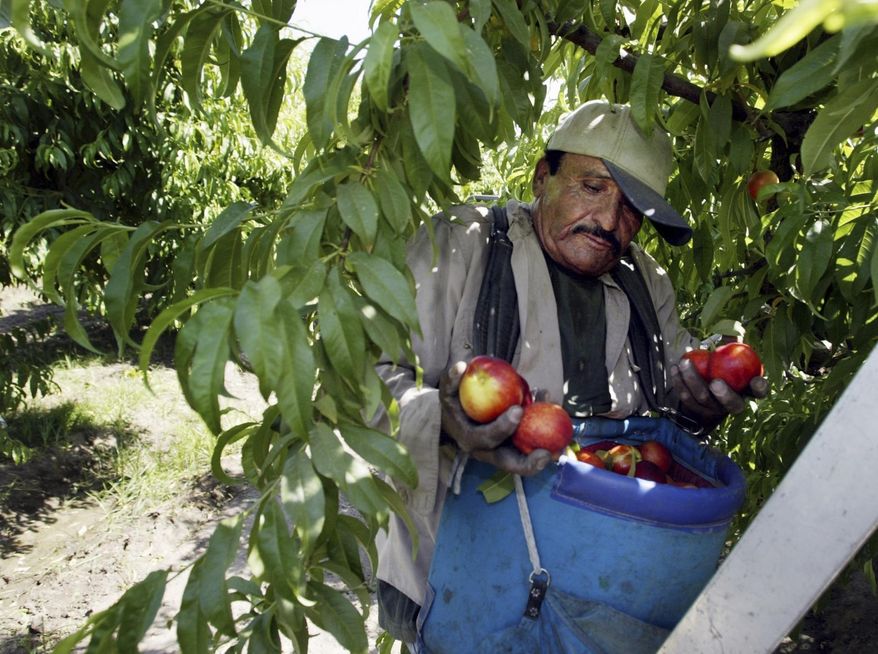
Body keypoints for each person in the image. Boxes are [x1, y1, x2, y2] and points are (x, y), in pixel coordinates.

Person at [372, 99, 768, 645]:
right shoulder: (461, 246)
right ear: (542, 177)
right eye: (593, 187)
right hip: (464, 585)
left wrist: (697, 406)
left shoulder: (645, 283)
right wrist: (440, 419)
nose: (609, 222)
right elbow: (363, 389)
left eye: (632, 210)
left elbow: (669, 410)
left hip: (597, 591)